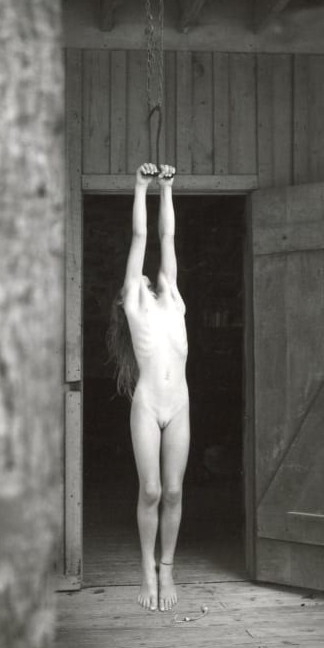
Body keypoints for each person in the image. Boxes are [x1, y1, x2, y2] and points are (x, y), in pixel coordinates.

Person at [108, 161, 189, 612]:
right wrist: (139, 187)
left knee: (174, 491)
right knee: (152, 490)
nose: (142, 276)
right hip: (147, 405)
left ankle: (167, 567)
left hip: (179, 404)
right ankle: (145, 570)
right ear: (124, 301)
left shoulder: (173, 298)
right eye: (132, 281)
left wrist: (168, 190)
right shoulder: (135, 306)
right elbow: (141, 240)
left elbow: (165, 239)